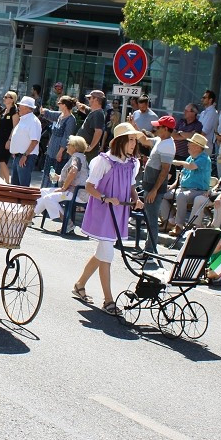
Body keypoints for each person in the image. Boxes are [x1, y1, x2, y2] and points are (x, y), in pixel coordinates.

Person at [72, 123, 144, 313]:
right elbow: (89, 187)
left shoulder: (133, 163)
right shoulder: (103, 161)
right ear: (120, 141)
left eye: (135, 140)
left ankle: (79, 284)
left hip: (119, 212)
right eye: (130, 139)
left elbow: (131, 187)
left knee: (104, 251)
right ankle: (108, 300)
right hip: (104, 211)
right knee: (107, 253)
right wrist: (105, 198)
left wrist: (136, 200)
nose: (133, 143)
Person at [160, 132, 211, 233]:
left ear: (197, 147)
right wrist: (171, 187)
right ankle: (170, 221)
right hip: (183, 189)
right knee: (161, 194)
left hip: (198, 191)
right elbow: (181, 178)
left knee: (181, 196)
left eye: (190, 143)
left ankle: (179, 226)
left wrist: (176, 162)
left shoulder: (204, 158)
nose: (187, 145)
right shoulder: (189, 158)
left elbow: (191, 166)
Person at [139, 115, 176, 254]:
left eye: (159, 127)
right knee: (150, 219)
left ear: (165, 129)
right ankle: (149, 250)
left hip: (154, 188)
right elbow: (145, 140)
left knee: (152, 221)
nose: (156, 128)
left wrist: (154, 190)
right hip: (150, 186)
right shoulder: (161, 140)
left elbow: (165, 170)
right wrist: (134, 127)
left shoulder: (167, 145)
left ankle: (150, 251)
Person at [40, 96, 77, 189]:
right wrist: (44, 110)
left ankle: (51, 194)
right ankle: (44, 192)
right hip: (51, 150)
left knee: (54, 174)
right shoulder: (60, 115)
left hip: (59, 152)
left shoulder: (71, 120)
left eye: (59, 103)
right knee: (47, 172)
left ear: (64, 105)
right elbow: (50, 114)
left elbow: (66, 138)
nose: (58, 105)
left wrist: (60, 152)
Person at [8, 96, 42, 187]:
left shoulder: (33, 121)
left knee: (23, 187)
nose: (18, 108)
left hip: (26, 157)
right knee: (15, 186)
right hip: (19, 156)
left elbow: (34, 141)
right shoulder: (24, 119)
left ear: (27, 108)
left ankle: (23, 202)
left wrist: (25, 155)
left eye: (21, 106)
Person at [0, 91, 18, 183]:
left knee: (3, 160)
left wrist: (10, 140)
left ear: (12, 100)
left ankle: (7, 182)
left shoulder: (14, 112)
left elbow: (15, 127)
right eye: (5, 96)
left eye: (7, 97)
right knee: (0, 161)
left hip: (7, 139)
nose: (5, 98)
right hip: (0, 138)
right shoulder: (3, 110)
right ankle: (1, 182)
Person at [75, 90, 107, 159]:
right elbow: (83, 108)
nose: (88, 100)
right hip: (83, 150)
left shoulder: (98, 114)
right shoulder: (93, 111)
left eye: (90, 98)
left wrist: (90, 147)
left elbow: (98, 132)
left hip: (89, 153)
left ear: (96, 99)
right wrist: (76, 103)